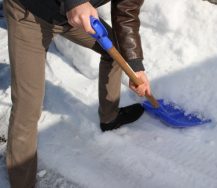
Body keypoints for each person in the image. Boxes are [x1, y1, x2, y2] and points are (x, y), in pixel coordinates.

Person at [3, 0, 151, 187]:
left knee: (116, 52)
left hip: (72, 18)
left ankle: (110, 117)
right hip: (30, 13)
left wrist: (135, 65)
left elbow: (126, 11)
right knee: (28, 105)